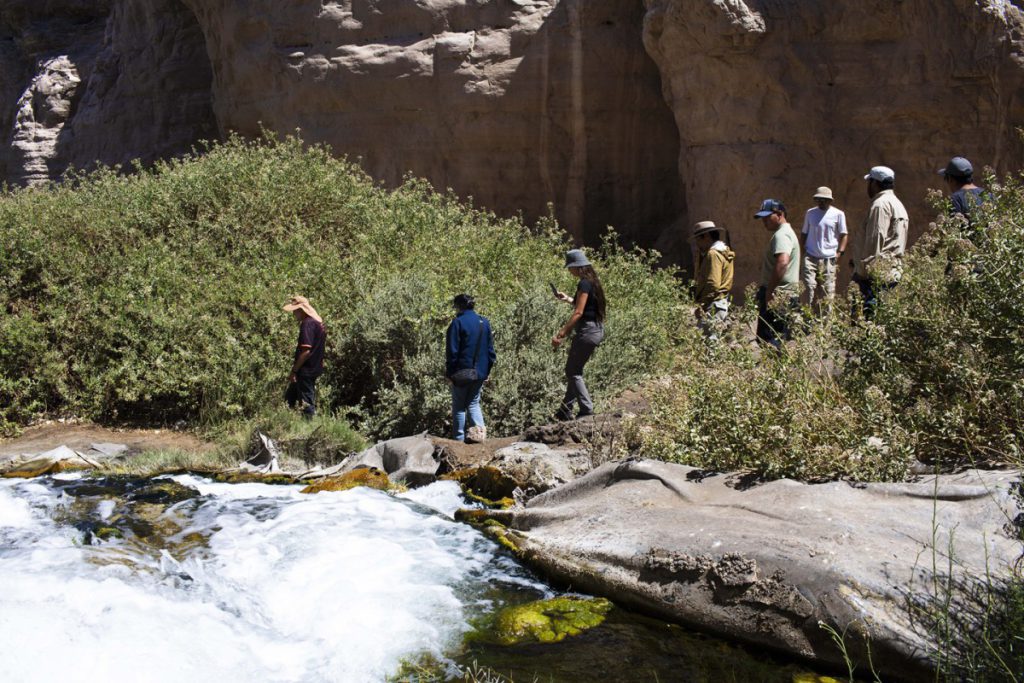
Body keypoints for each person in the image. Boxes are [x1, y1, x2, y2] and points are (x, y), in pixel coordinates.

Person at [552, 249, 606, 420]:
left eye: (570, 267)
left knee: (572, 371)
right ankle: (564, 410)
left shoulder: (584, 283)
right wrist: (567, 298)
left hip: (587, 331)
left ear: (577, 266)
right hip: (596, 330)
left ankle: (586, 410)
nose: (569, 271)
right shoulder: (593, 282)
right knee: (574, 369)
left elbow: (579, 312)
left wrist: (562, 333)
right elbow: (585, 306)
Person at [851, 166, 909, 319]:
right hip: (891, 272)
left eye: (869, 182)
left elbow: (875, 239)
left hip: (874, 277)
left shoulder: (880, 205)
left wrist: (863, 271)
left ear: (875, 183)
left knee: (866, 325)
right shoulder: (897, 204)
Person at [445, 293, 496, 443]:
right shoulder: (484, 322)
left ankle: (458, 441)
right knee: (474, 403)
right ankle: (480, 437)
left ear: (458, 306)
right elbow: (490, 352)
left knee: (459, 407)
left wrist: (449, 372)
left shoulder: (457, 323)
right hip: (480, 373)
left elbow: (452, 352)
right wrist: (486, 371)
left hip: (462, 373)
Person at [753, 199, 800, 351]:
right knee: (778, 339)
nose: (764, 221)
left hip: (778, 295)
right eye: (762, 218)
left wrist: (770, 291)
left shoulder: (782, 235)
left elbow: (782, 262)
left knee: (770, 341)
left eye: (767, 217)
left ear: (779, 214)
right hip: (784, 295)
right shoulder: (786, 233)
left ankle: (776, 371)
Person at [800, 187, 848, 311]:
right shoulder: (810, 213)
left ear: (830, 201)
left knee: (827, 291)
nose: (821, 202)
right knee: (808, 287)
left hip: (828, 258)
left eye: (825, 200)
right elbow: (804, 233)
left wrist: (840, 253)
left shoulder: (838, 214)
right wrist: (803, 250)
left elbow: (844, 234)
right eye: (819, 199)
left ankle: (825, 325)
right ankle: (806, 319)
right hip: (810, 256)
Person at [283, 295, 326, 419]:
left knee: (306, 403)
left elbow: (306, 351)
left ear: (301, 310)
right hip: (313, 368)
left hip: (306, 370)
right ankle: (286, 423)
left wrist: (294, 370)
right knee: (289, 399)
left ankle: (308, 427)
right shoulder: (317, 323)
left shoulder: (307, 324)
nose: (294, 314)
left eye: (295, 311)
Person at [691, 220, 735, 336]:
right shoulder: (723, 251)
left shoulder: (713, 254)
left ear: (706, 237)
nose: (697, 244)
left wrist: (703, 304)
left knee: (709, 344)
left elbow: (713, 283)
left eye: (698, 240)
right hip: (721, 302)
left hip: (713, 304)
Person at [938, 156, 986, 221]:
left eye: (946, 178)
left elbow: (952, 228)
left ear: (950, 179)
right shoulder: (988, 195)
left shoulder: (955, 200)